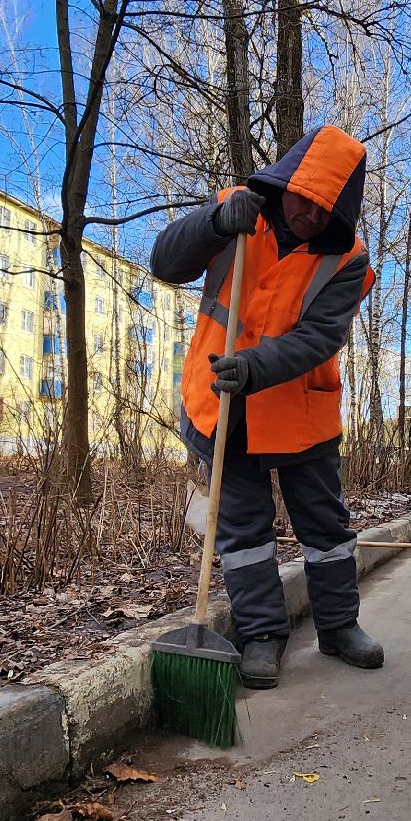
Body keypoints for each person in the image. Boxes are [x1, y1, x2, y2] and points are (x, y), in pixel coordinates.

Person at [151, 125, 378, 690]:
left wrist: (256, 367)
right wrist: (211, 223)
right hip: (221, 408)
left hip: (302, 411)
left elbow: (320, 337)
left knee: (326, 529)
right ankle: (262, 637)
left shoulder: (346, 258)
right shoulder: (235, 212)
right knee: (243, 532)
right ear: (285, 184)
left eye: (325, 208)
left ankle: (339, 626)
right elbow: (165, 263)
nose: (309, 215)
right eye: (304, 199)